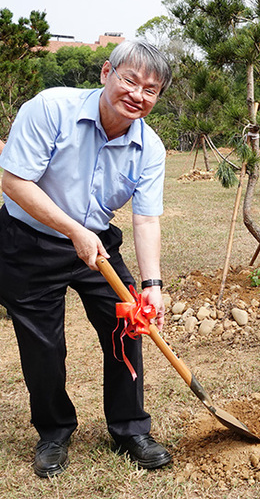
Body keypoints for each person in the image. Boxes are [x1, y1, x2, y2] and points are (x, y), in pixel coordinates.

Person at [0, 40, 173, 478]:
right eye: (129, 80)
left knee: (128, 322)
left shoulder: (149, 149)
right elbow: (14, 181)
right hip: (28, 239)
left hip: (96, 244)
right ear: (105, 73)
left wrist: (151, 285)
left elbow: (146, 219)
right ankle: (54, 432)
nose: (138, 94)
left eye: (150, 89)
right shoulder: (50, 109)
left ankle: (129, 428)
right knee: (44, 347)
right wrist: (72, 229)